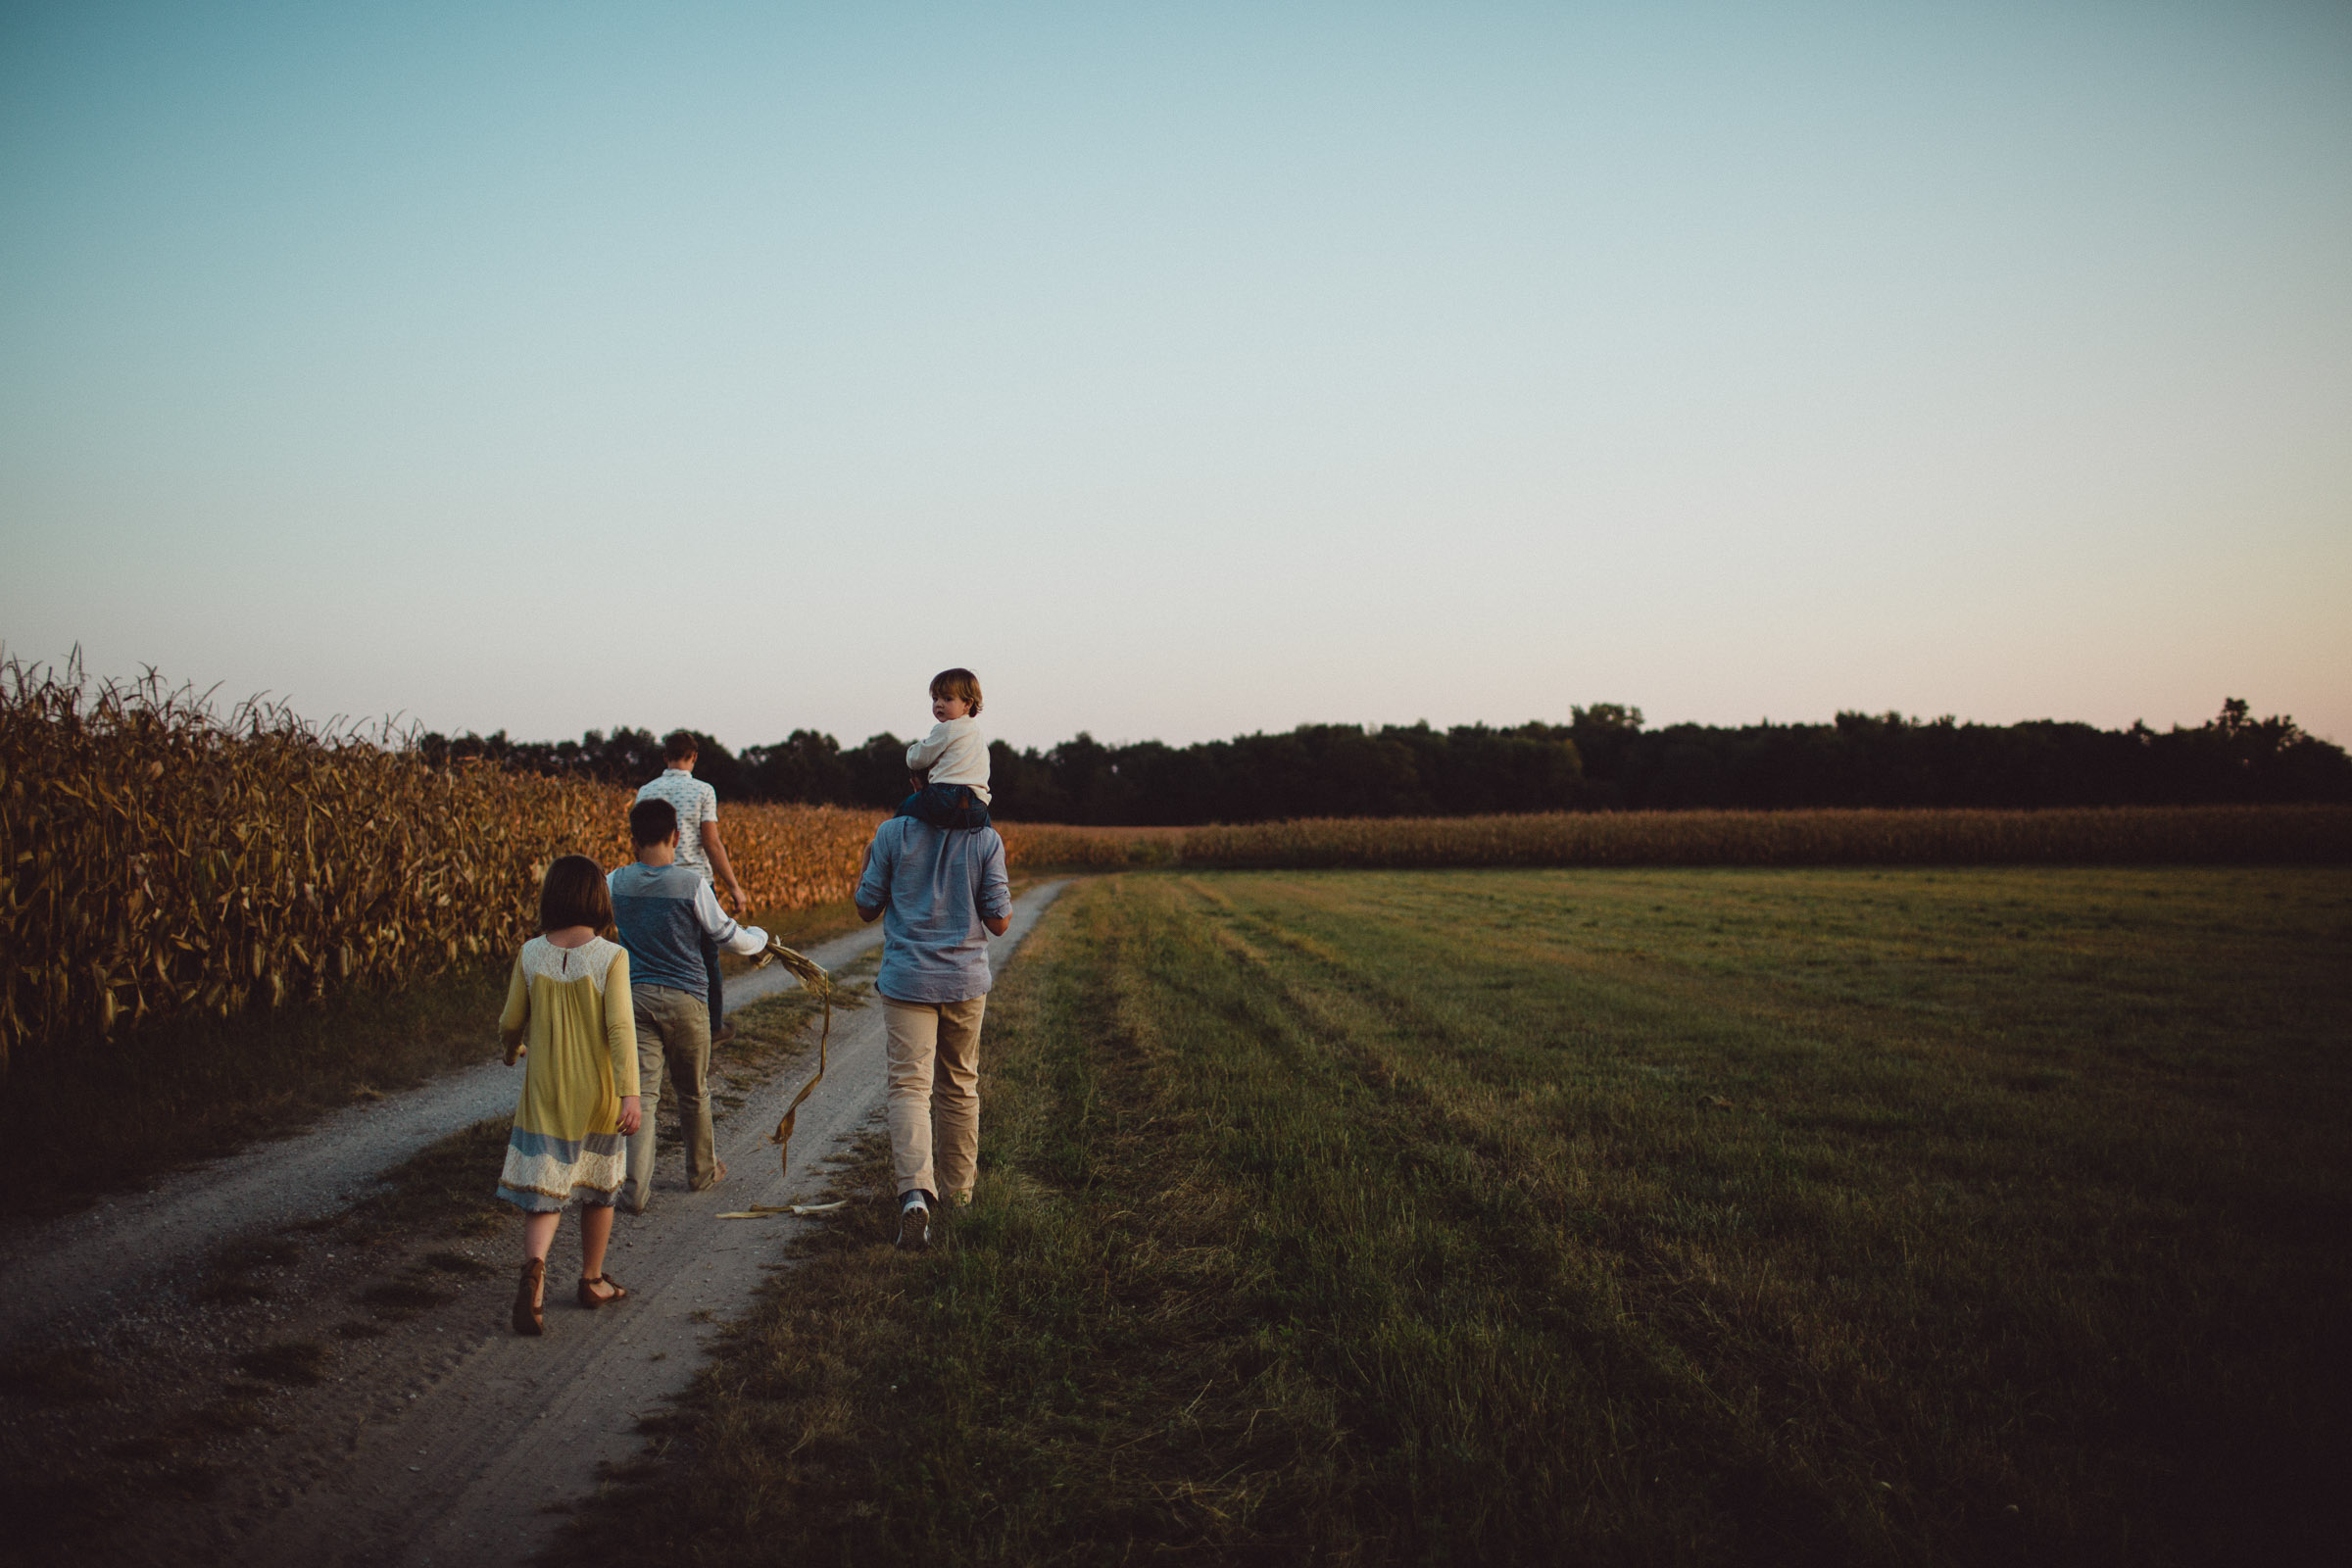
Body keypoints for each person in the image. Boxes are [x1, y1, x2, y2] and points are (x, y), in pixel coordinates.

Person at [855, 777, 1012, 1249]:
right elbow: (1000, 922)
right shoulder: (985, 838)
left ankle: (916, 1196)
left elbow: (866, 907)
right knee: (960, 1083)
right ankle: (960, 1195)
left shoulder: (891, 832)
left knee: (909, 1084)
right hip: (964, 981)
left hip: (907, 980)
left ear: (916, 782)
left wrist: (867, 861)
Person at [496, 855, 644, 1336]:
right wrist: (630, 1094)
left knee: (545, 1190)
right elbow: (621, 1028)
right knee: (598, 1190)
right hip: (599, 1094)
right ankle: (592, 1278)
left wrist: (511, 1048)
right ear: (599, 899)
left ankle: (534, 1272)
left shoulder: (530, 954)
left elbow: (509, 1021)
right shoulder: (611, 956)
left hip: (545, 1095)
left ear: (551, 898)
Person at [610, 797, 770, 1212]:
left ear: (633, 839)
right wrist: (760, 939)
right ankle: (700, 1171)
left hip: (635, 999)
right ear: (677, 837)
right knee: (692, 1092)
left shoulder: (614, 882)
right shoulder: (691, 884)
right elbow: (726, 935)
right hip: (686, 1001)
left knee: (642, 1095)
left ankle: (634, 1190)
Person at [635, 730, 751, 1044]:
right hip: (695, 884)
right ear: (694, 756)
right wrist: (735, 888)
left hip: (654, 882)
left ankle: (657, 1026)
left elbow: (639, 841)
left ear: (665, 756)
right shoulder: (703, 791)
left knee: (658, 955)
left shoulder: (645, 791)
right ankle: (712, 1027)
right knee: (705, 956)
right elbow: (711, 843)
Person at [899, 667, 993, 831]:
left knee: (906, 807)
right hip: (978, 803)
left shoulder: (948, 728)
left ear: (967, 704)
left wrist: (911, 751)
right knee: (985, 832)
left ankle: (891, 843)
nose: (939, 704)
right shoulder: (977, 734)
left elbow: (917, 760)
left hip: (946, 796)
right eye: (935, 699)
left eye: (948, 699)